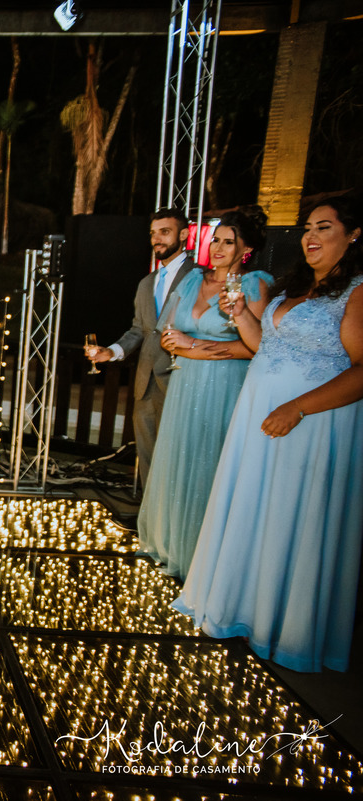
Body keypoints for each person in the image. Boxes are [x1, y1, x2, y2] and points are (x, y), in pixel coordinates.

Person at [175, 197, 363, 673]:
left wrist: (297, 407)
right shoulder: (294, 285)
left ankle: (285, 626)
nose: (310, 236)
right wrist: (241, 314)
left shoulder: (357, 291)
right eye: (307, 228)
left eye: (324, 227)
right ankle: (241, 608)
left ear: (354, 234)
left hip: (310, 424)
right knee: (254, 506)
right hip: (257, 418)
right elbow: (265, 346)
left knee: (289, 515)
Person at [136, 209, 273, 579]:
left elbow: (259, 347)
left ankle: (203, 556)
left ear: (246, 249)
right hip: (184, 384)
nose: (218, 248)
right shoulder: (193, 280)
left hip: (225, 386)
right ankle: (169, 544)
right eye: (215, 240)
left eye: (229, 241)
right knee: (177, 460)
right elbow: (167, 332)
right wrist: (178, 345)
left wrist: (194, 347)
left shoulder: (254, 285)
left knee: (208, 464)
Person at [86, 209, 194, 481]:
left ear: (184, 234)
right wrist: (112, 352)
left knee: (177, 458)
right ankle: (146, 509)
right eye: (153, 233)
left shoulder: (199, 278)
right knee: (146, 458)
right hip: (145, 383)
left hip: (181, 379)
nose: (157, 239)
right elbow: (139, 330)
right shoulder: (147, 283)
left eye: (165, 232)